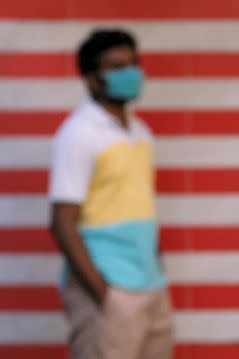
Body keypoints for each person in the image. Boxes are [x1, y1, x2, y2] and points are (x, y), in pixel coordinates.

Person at [48, 29, 173, 359]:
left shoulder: (140, 131)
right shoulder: (78, 135)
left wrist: (156, 269)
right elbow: (62, 222)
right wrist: (103, 293)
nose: (130, 74)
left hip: (150, 285)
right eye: (117, 67)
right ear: (92, 79)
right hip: (109, 289)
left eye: (133, 64)